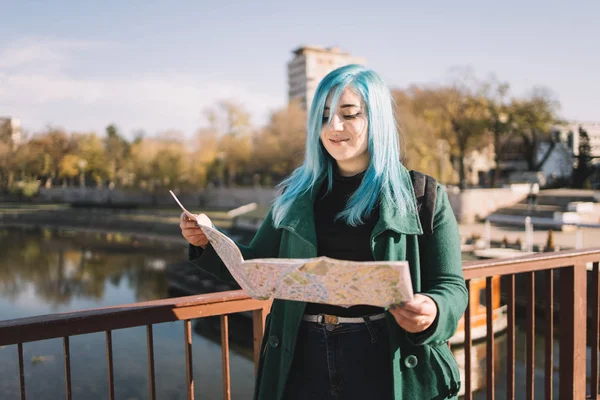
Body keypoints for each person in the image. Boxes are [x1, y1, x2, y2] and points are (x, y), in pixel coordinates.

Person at [180, 64, 468, 400]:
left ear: (377, 119)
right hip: (302, 356)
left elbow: (451, 286)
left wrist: (432, 310)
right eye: (324, 115)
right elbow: (255, 265)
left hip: (382, 356)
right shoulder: (296, 194)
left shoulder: (423, 195)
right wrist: (208, 243)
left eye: (350, 114)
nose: (334, 126)